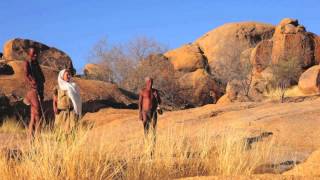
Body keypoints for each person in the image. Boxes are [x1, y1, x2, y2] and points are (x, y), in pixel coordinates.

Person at [24, 47, 45, 141]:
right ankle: (37, 138)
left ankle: (31, 138)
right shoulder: (27, 62)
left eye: (36, 53)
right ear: (29, 54)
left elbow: (42, 77)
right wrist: (33, 82)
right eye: (33, 53)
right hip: (32, 91)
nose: (36, 55)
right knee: (37, 114)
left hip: (39, 90)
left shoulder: (36, 64)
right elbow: (26, 74)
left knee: (33, 115)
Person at [53, 69, 82, 134]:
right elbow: (55, 99)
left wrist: (77, 111)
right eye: (67, 75)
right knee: (59, 132)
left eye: (69, 75)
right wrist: (55, 107)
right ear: (62, 76)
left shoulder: (74, 86)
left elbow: (78, 99)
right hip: (61, 113)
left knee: (72, 132)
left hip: (72, 113)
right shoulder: (58, 87)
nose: (69, 76)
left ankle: (71, 144)